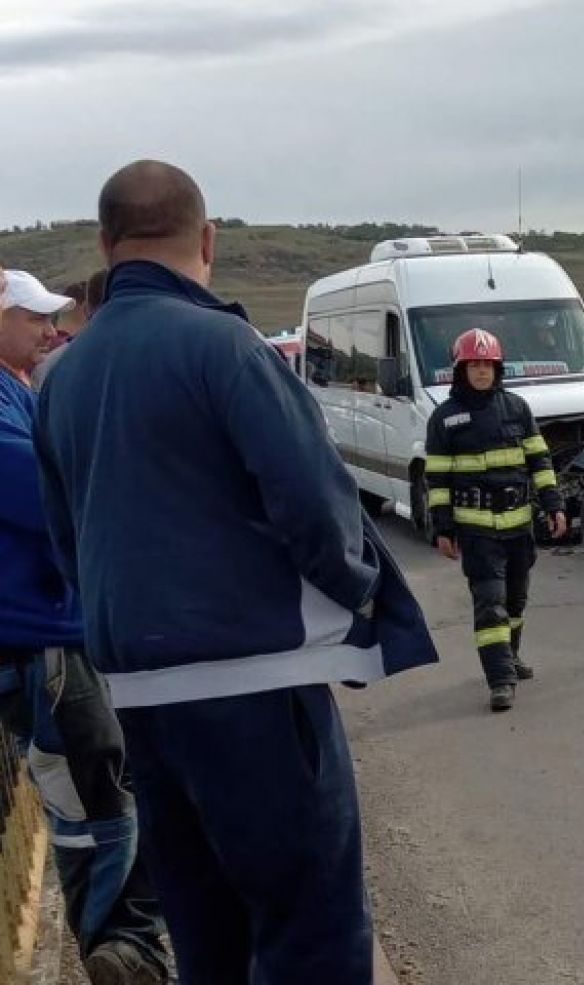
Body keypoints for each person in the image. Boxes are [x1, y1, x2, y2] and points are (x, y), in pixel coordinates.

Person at [34, 160, 438, 984]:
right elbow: (317, 507)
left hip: (142, 700)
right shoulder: (227, 348)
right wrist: (362, 596)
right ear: (208, 239)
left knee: (206, 931)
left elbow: (65, 535)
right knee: (309, 931)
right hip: (258, 689)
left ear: (106, 246)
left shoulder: (59, 377)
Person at [0, 268, 169, 984]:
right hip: (42, 638)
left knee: (98, 787)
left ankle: (127, 944)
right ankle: (125, 949)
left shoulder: (16, 388)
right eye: (34, 316)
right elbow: (46, 490)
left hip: (55, 628)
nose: (51, 330)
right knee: (96, 796)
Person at [425, 328, 568, 712]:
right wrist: (443, 528)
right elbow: (436, 480)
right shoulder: (445, 418)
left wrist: (554, 505)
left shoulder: (517, 409)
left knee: (515, 601)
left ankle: (511, 655)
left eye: (487, 364)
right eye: (474, 364)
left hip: (519, 527)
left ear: (497, 368)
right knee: (490, 603)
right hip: (476, 532)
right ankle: (500, 679)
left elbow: (540, 461)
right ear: (461, 369)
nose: (481, 371)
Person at [33, 269, 107, 391]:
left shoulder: (46, 362)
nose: (50, 332)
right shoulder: (59, 356)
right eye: (38, 319)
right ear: (85, 308)